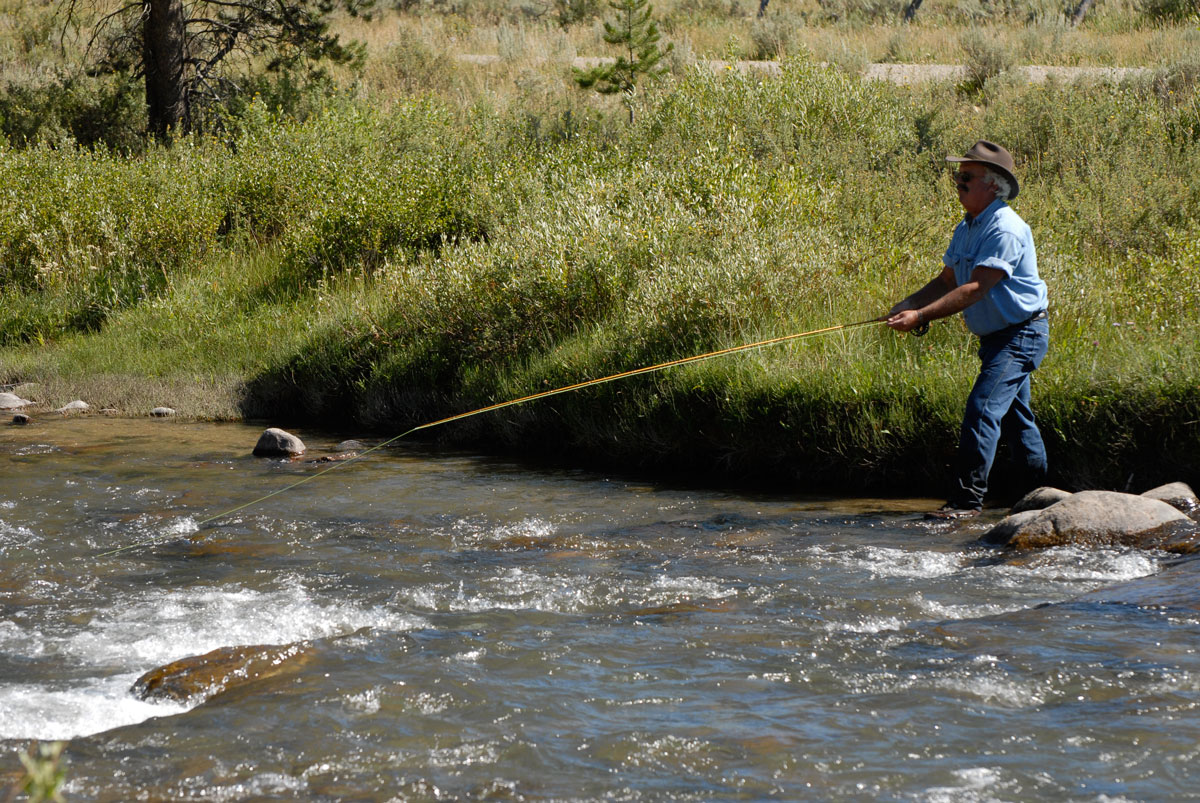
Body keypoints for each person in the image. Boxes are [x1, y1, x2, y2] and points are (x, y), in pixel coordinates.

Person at [886, 140, 1049, 520]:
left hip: (1021, 335)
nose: (957, 183)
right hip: (998, 339)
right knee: (1015, 419)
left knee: (981, 410)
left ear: (993, 184)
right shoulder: (967, 226)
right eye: (957, 176)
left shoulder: (1006, 228)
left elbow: (975, 288)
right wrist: (909, 304)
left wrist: (922, 317)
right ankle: (1038, 500)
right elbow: (946, 280)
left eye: (966, 177)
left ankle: (964, 504)